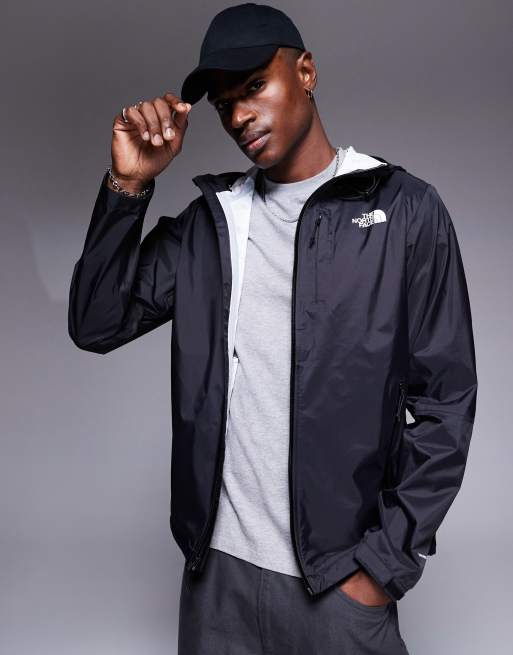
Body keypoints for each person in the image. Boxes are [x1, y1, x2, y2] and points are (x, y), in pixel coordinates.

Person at [68, 3, 478, 653]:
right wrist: (127, 185)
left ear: (305, 72)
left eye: (255, 86)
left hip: (338, 584)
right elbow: (96, 322)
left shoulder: (403, 210)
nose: (239, 116)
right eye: (225, 104)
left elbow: (446, 401)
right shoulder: (211, 224)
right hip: (216, 581)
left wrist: (383, 566)